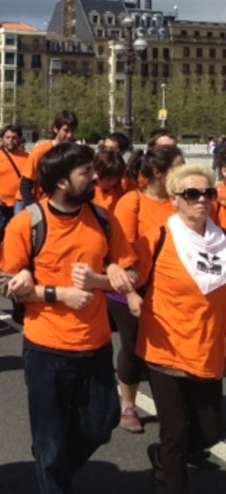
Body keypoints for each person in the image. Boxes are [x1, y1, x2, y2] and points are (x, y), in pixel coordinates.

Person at [0, 142, 139, 494]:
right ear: (62, 182)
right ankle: (51, 468)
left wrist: (103, 279)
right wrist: (54, 292)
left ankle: (53, 464)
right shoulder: (27, 223)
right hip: (46, 348)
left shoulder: (104, 220)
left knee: (100, 425)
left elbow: (131, 272)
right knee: (49, 439)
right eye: (85, 173)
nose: (94, 177)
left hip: (94, 345)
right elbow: (4, 283)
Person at [130, 165, 226, 494]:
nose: (201, 200)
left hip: (208, 349)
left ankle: (162, 459)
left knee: (210, 432)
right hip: (165, 348)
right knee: (175, 432)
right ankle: (169, 477)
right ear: (174, 199)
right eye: (192, 194)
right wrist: (119, 284)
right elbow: (131, 276)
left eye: (207, 193)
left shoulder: (222, 241)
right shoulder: (158, 237)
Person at [112, 145, 184, 435]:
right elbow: (120, 251)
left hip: (170, 290)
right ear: (159, 173)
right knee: (133, 349)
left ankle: (175, 413)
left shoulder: (180, 202)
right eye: (179, 166)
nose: (185, 171)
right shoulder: (133, 202)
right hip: (133, 289)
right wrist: (131, 292)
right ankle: (128, 405)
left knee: (168, 351)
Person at [19, 110, 78, 207]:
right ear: (56, 128)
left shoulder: (75, 153)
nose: (70, 135)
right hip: (42, 204)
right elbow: (25, 183)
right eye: (66, 130)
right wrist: (33, 207)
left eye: (73, 131)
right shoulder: (40, 151)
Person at [0, 125, 28, 240]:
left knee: (17, 236)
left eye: (14, 137)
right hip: (0, 204)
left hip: (21, 204)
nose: (10, 140)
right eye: (7, 137)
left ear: (20, 139)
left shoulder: (28, 158)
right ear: (3, 138)